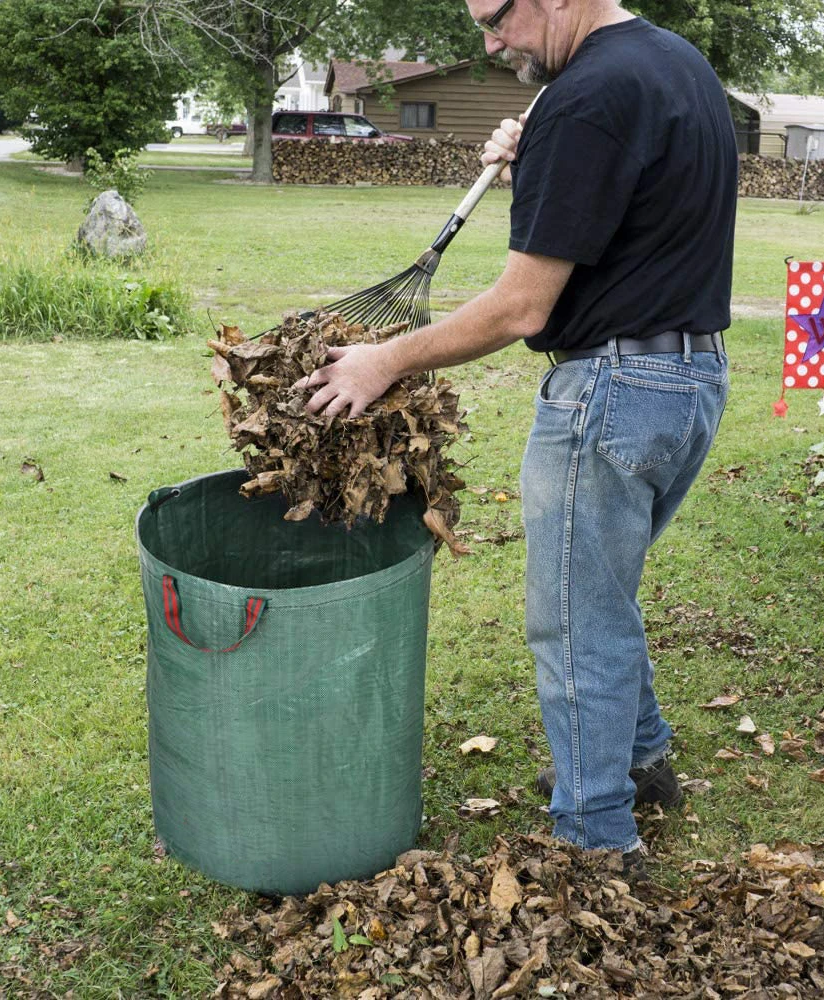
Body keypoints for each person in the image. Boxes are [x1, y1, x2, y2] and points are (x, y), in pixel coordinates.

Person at [300, 0, 737, 878]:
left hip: (612, 391)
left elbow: (519, 307)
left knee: (573, 617)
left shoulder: (584, 100)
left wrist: (385, 359)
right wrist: (536, 156)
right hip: (691, 380)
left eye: (497, 18)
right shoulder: (668, 62)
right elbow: (620, 194)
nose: (488, 42)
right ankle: (642, 759)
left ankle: (596, 839)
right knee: (601, 592)